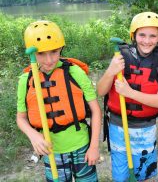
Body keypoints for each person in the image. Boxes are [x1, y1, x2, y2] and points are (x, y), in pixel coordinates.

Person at [16, 20, 101, 181]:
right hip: (52, 150)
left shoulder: (75, 72)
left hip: (81, 145)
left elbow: (96, 110)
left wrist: (94, 146)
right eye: (41, 54)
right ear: (31, 52)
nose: (49, 60)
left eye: (54, 52)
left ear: (61, 48)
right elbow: (21, 118)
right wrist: (33, 135)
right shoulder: (25, 80)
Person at [97, 11, 158, 181]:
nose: (147, 40)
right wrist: (111, 71)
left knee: (143, 173)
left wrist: (129, 92)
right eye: (142, 35)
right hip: (118, 126)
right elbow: (101, 91)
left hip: (145, 129)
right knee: (121, 175)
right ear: (134, 35)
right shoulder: (120, 56)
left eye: (152, 36)